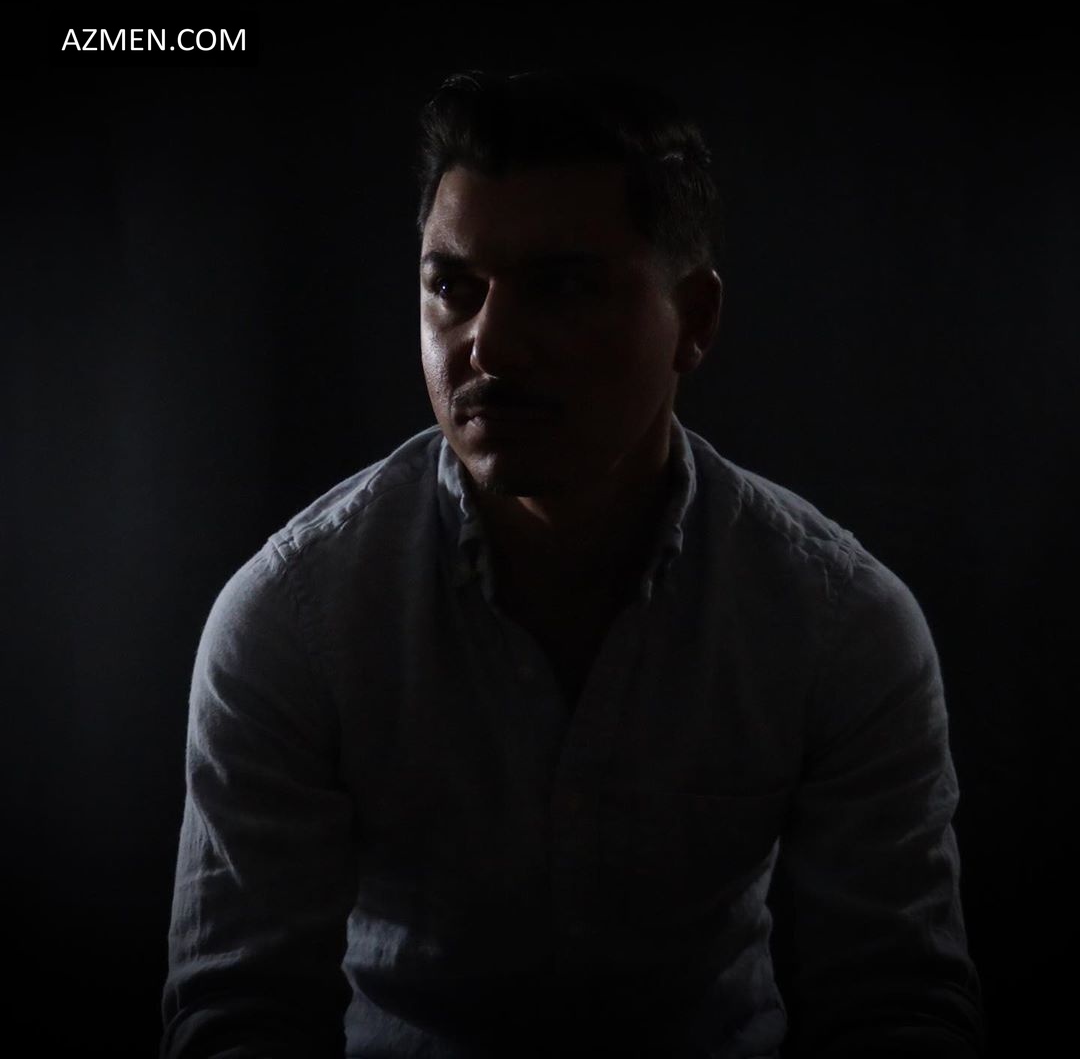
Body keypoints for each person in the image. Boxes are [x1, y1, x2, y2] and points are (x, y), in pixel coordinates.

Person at [161, 68, 985, 1058]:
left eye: (562, 287)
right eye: (452, 288)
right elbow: (235, 1015)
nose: (490, 346)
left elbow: (897, 999)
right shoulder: (295, 620)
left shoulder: (837, 626)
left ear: (695, 321)